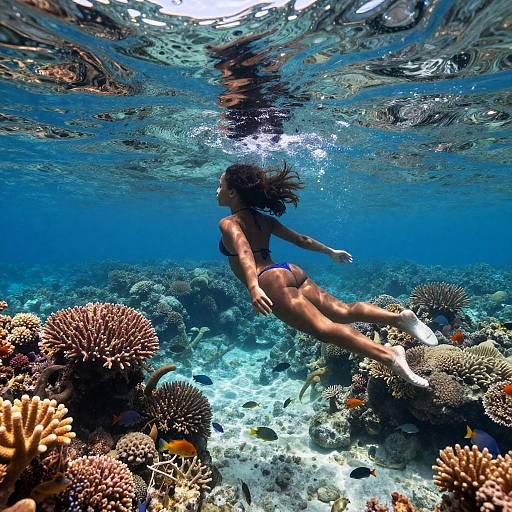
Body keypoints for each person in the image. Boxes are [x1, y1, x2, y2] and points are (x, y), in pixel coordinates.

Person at [217, 163, 437, 387]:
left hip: (268, 280)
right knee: (343, 311)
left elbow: (244, 249)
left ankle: (390, 356)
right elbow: (301, 239)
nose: (217, 190)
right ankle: (399, 319)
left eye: (220, 185)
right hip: (289, 270)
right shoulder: (264, 220)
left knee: (324, 328)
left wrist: (253, 287)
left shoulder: (228, 223)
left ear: (233, 192)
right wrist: (330, 251)